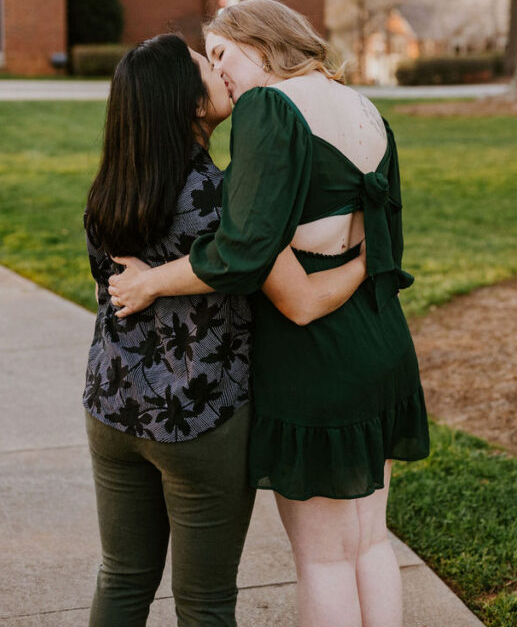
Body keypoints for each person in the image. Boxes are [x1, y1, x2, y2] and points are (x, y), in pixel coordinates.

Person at [83, 32, 367, 627]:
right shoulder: (224, 200)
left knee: (123, 579)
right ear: (189, 106)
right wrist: (367, 260)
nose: (220, 70)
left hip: (112, 409)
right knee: (206, 603)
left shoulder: (110, 192)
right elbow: (298, 298)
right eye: (204, 66)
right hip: (198, 423)